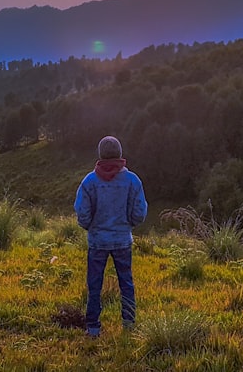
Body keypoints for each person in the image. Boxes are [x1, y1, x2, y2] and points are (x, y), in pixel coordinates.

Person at [74, 135, 148, 337]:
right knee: (126, 282)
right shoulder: (133, 180)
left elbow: (82, 213)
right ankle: (129, 324)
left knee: (94, 285)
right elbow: (140, 212)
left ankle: (93, 328)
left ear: (100, 154)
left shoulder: (90, 181)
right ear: (120, 154)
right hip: (122, 240)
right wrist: (128, 225)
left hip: (97, 241)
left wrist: (90, 227)